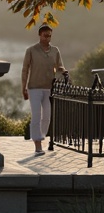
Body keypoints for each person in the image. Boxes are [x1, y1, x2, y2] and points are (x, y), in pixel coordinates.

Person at [21, 23, 66, 155]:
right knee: (36, 115)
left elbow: (59, 66)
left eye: (49, 36)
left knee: (47, 117)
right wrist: (23, 88)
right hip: (34, 88)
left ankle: (41, 136)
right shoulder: (31, 50)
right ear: (40, 35)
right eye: (45, 35)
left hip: (49, 88)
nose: (47, 38)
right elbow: (25, 70)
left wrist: (64, 72)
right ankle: (37, 144)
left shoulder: (55, 50)